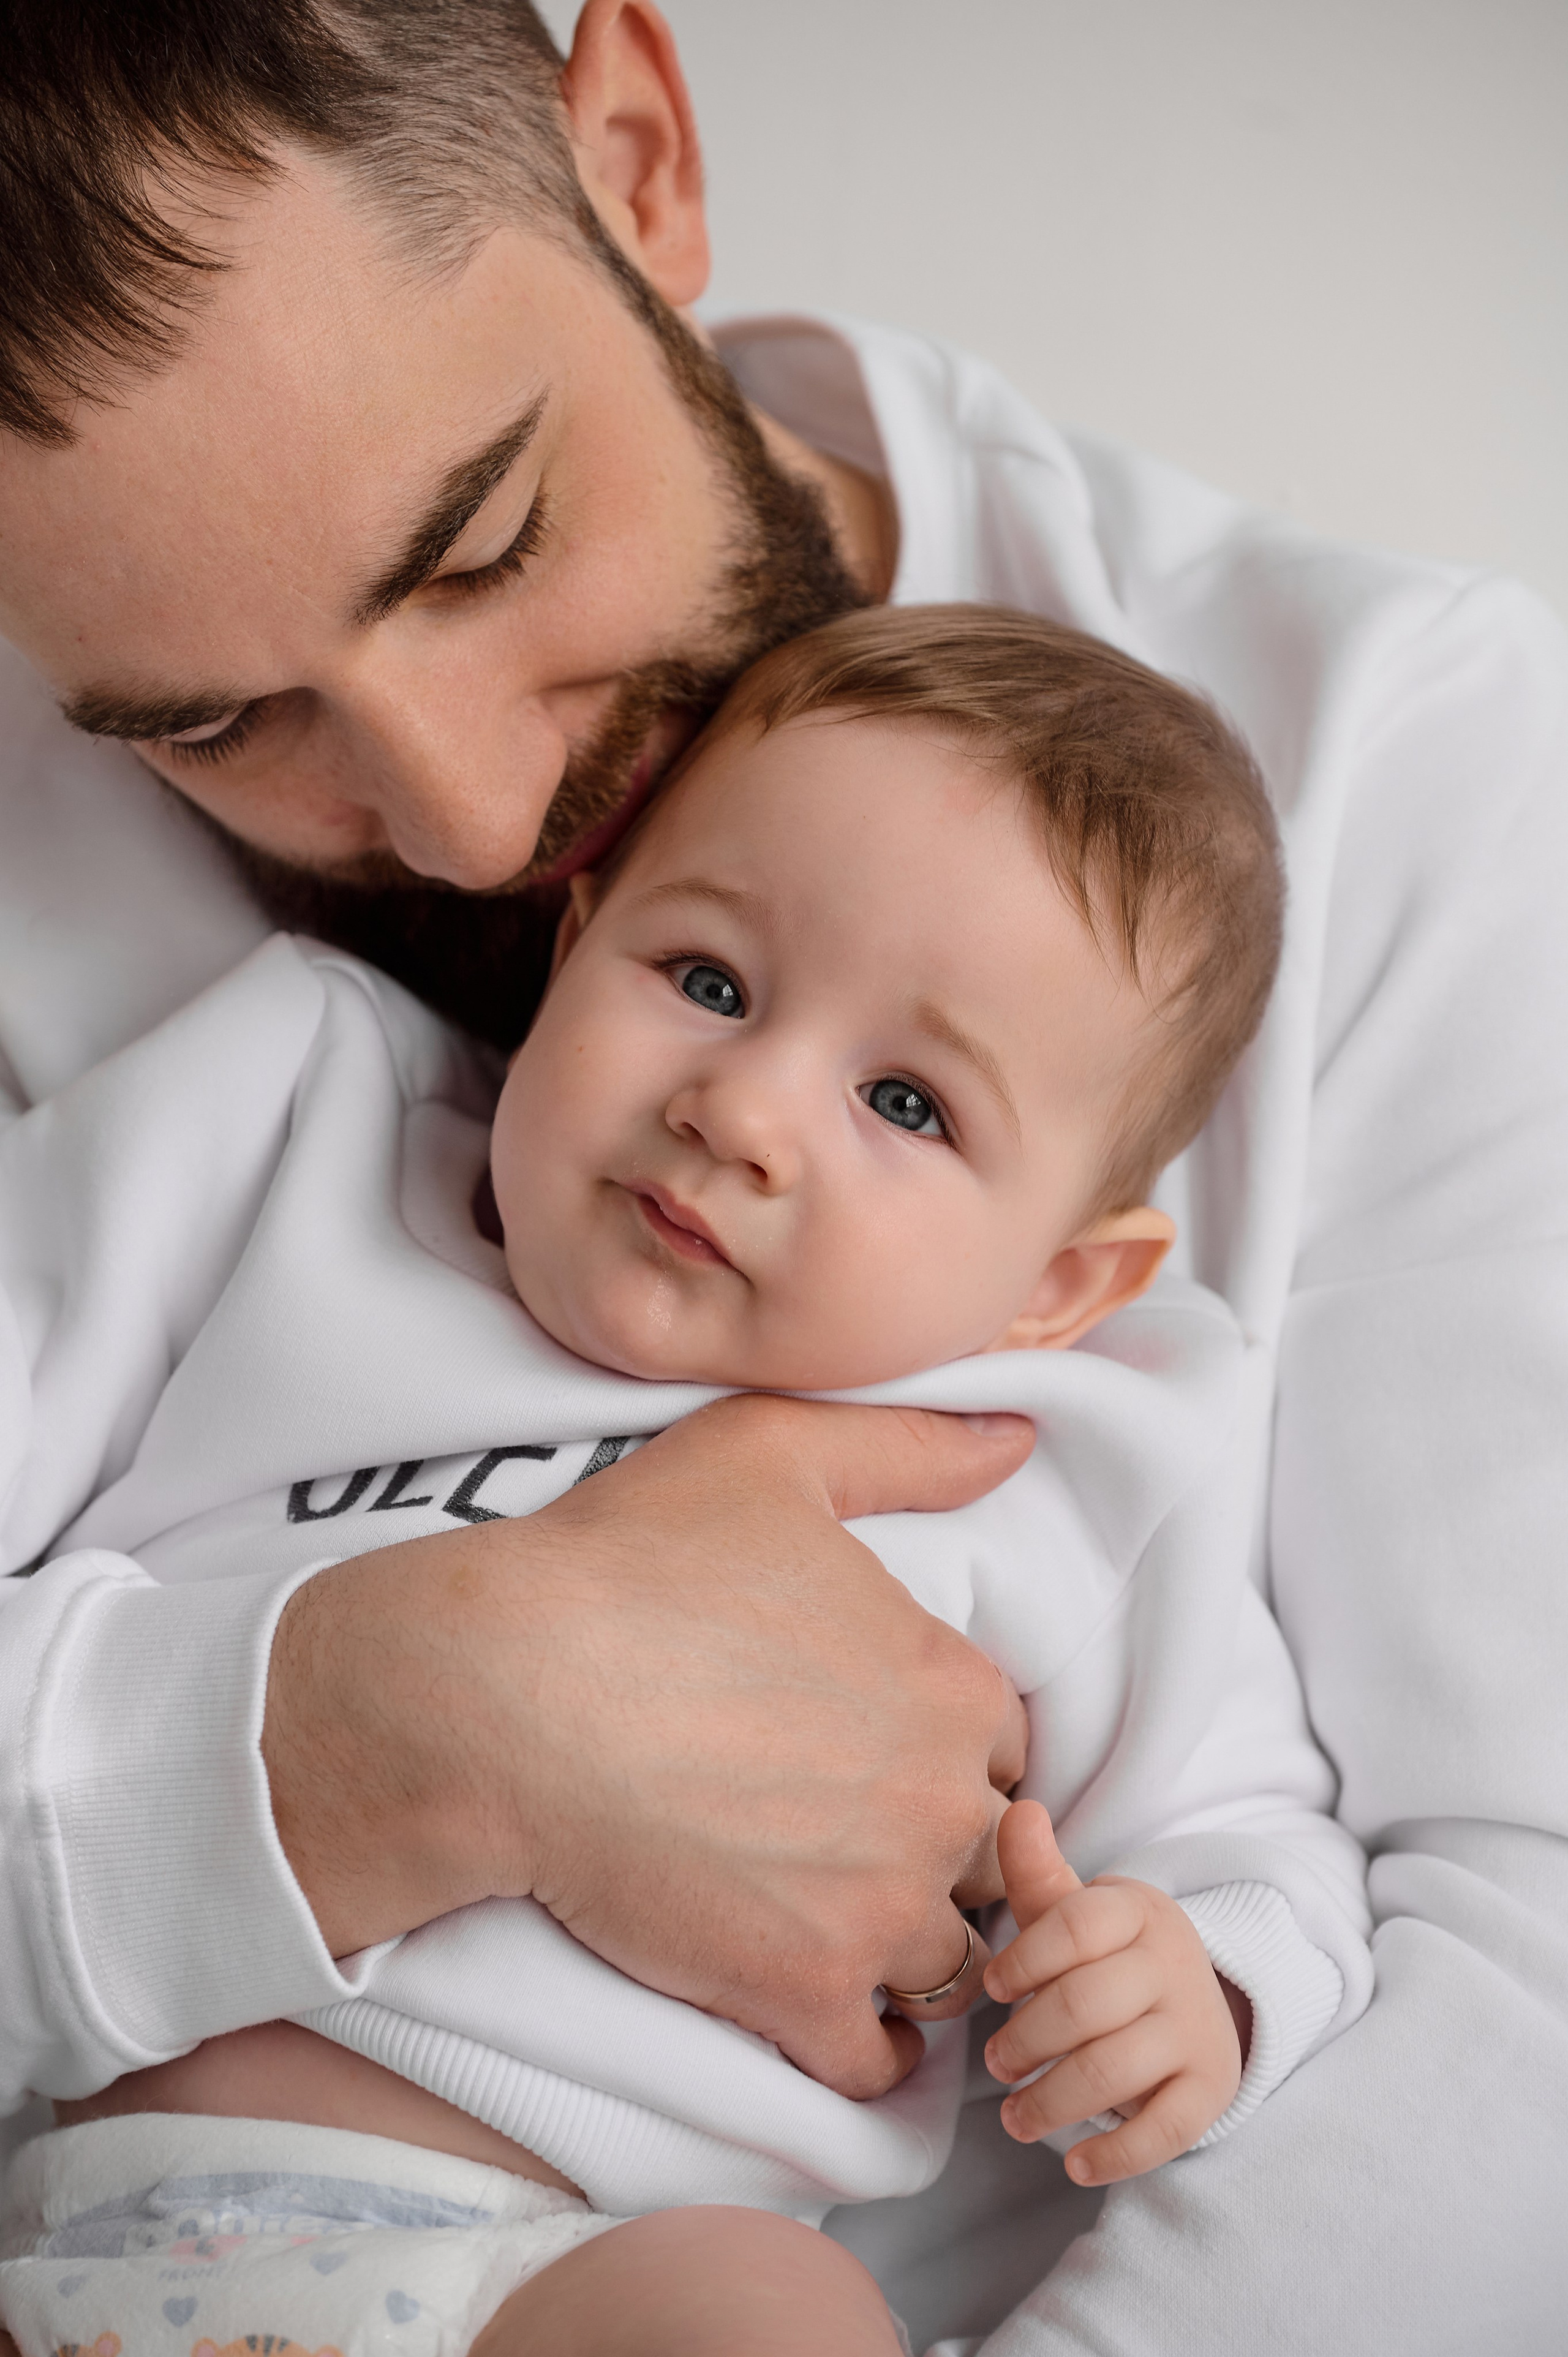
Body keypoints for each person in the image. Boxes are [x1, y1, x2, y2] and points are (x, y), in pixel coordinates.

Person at [0, 1, 1562, 2348]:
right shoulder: (261, 1101)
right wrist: (374, 1729)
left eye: (485, 545)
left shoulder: (1409, 772)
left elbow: (1503, 1985)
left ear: (635, 159)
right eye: (218, 725)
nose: (472, 827)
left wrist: (1196, 1976)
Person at [0, 609, 1371, 2357]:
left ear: (1058, 1284)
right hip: (99, 2219)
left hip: (577, 2272)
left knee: (778, 2320)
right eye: (708, 982)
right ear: (576, 943)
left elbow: (1258, 1835)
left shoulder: (1054, 1471)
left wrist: (1200, 1985)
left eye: (907, 1101)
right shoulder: (292, 1129)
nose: (746, 1112)